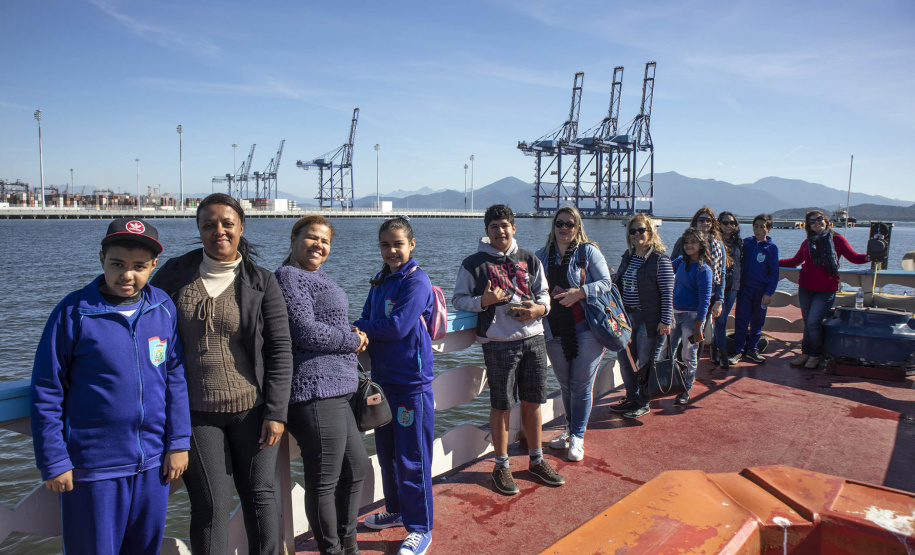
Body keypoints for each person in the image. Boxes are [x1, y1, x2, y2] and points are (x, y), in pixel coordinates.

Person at [31, 218, 190, 554]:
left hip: (153, 463)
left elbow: (174, 377)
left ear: (153, 266)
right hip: (93, 467)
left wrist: (178, 442)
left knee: (145, 549)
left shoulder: (162, 307)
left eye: (138, 267)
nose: (127, 275)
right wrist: (54, 460)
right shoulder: (74, 312)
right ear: (101, 258)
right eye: (117, 264)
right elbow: (47, 389)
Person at [151, 194, 293, 555]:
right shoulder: (174, 273)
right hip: (196, 412)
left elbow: (279, 349)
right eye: (209, 224)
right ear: (199, 230)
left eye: (227, 223)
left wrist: (276, 412)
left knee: (259, 497)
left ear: (241, 227)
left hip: (252, 408)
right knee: (210, 506)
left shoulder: (261, 281)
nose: (219, 231)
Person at [453, 204, 564, 495]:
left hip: (534, 338)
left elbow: (543, 293)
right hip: (498, 343)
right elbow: (459, 299)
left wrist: (539, 308)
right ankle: (501, 465)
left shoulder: (531, 259)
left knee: (533, 401)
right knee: (501, 404)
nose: (500, 231)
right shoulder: (473, 263)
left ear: (514, 228)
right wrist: (483, 301)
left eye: (505, 225)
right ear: (486, 232)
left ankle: (536, 460)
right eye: (494, 227)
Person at [274, 215, 369, 555]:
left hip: (340, 388)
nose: (319, 245)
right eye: (312, 238)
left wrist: (353, 335)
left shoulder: (319, 276)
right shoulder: (288, 276)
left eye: (325, 241)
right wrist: (351, 339)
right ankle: (332, 551)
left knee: (357, 469)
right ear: (294, 238)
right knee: (324, 481)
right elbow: (305, 331)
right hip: (313, 389)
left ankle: (348, 546)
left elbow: (328, 326)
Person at [354, 216, 434, 555]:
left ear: (411, 245)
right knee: (387, 455)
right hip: (382, 382)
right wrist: (365, 326)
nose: (391, 250)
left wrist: (359, 326)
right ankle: (396, 509)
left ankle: (420, 528)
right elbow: (371, 319)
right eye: (385, 244)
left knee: (413, 456)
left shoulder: (417, 282)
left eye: (397, 244)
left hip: (411, 383)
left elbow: (399, 326)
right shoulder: (380, 281)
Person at [534, 206, 613, 461]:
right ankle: (570, 430)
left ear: (578, 227)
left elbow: (606, 283)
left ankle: (578, 435)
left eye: (570, 224)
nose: (564, 228)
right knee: (566, 385)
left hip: (587, 329)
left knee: (581, 385)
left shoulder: (587, 252)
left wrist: (579, 293)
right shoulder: (542, 255)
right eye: (560, 223)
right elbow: (531, 288)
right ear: (553, 226)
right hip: (555, 330)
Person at [779, 209, 869, 369]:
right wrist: (773, 260)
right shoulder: (807, 242)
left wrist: (871, 256)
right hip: (806, 287)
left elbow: (854, 258)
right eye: (812, 221)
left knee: (814, 323)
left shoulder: (837, 240)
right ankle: (805, 354)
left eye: (819, 219)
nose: (816, 222)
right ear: (808, 226)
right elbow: (794, 261)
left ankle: (816, 355)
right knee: (807, 323)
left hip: (826, 289)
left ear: (826, 221)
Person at [610, 214, 674, 419]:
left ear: (650, 232)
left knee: (645, 363)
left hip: (649, 320)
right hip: (626, 319)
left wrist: (665, 320)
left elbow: (667, 293)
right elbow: (619, 283)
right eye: (633, 231)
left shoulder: (659, 260)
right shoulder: (627, 257)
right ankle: (631, 398)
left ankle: (644, 401)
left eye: (641, 230)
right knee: (625, 360)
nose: (637, 234)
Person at [672, 208, 727, 356]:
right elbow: (671, 265)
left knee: (697, 333)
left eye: (708, 220)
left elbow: (721, 274)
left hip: (707, 296)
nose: (705, 223)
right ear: (695, 222)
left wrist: (719, 300)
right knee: (676, 335)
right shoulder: (682, 241)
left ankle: (691, 367)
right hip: (683, 297)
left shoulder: (718, 245)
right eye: (701, 220)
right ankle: (677, 367)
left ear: (713, 223)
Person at [669, 228, 714, 405]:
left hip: (691, 316)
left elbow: (704, 301)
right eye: (686, 242)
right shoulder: (680, 262)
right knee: (667, 352)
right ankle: (667, 382)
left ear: (701, 246)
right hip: (674, 313)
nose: (689, 245)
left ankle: (685, 389)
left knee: (688, 355)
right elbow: (663, 269)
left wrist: (699, 326)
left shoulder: (704, 270)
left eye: (693, 242)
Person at [728, 214, 779, 365]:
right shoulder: (746, 243)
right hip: (745, 289)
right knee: (741, 320)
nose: (758, 229)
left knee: (757, 321)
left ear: (768, 229)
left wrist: (769, 293)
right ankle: (738, 350)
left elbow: (774, 273)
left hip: (761, 291)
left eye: (762, 227)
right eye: (756, 226)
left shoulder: (771, 248)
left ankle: (753, 350)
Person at [713, 212, 743, 369]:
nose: (729, 226)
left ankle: (714, 350)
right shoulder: (715, 241)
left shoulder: (738, 242)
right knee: (721, 319)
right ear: (719, 224)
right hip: (719, 284)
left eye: (732, 223)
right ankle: (722, 352)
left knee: (721, 320)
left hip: (734, 285)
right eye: (725, 223)